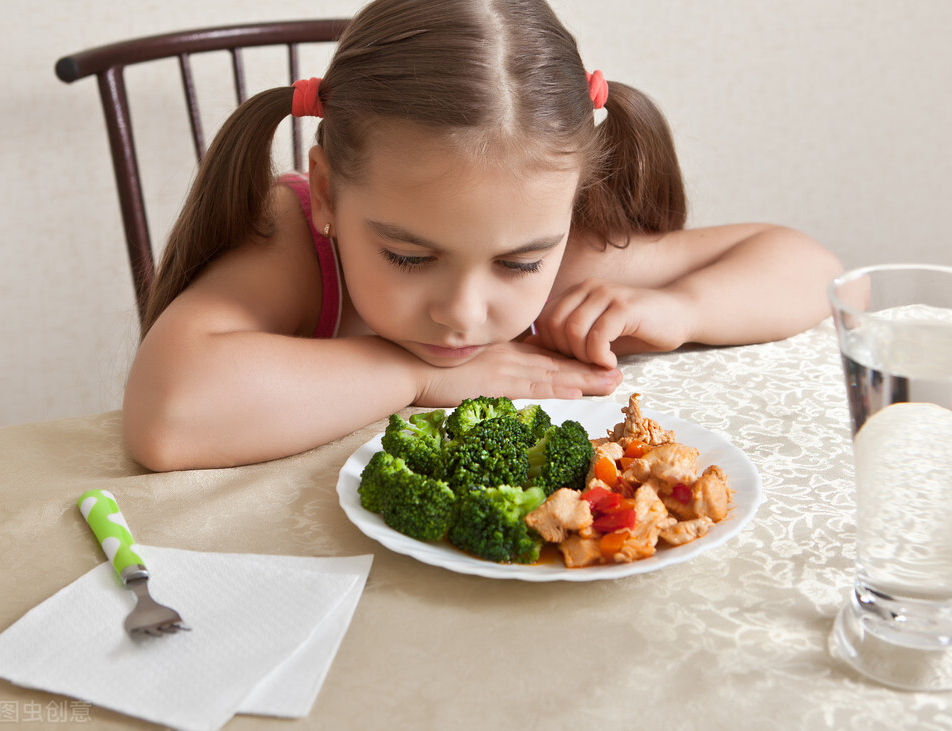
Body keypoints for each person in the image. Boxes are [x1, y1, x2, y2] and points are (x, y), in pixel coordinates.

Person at [123, 0, 842, 471]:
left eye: (519, 262)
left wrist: (679, 308)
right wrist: (423, 375)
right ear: (330, 195)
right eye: (408, 255)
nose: (465, 310)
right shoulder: (297, 244)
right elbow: (168, 416)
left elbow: (812, 271)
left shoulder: (557, 242)